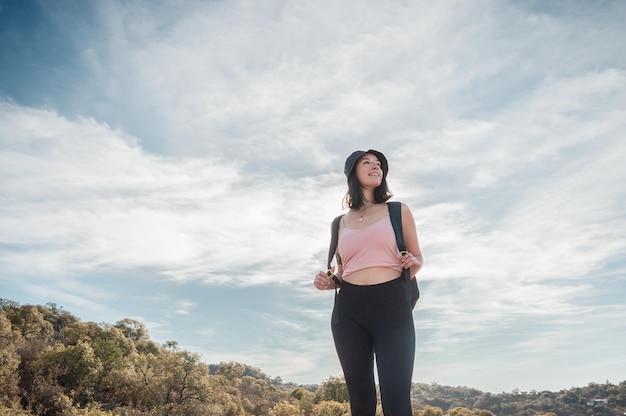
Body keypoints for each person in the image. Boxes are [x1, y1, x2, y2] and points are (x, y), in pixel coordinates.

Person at [313, 149, 424, 416]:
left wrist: (415, 263)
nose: (376, 167)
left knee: (396, 403)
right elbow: (343, 270)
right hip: (348, 312)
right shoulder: (338, 223)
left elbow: (418, 257)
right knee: (361, 404)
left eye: (379, 164)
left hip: (392, 308)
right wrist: (330, 282)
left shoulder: (397, 211)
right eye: (367, 162)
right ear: (353, 172)